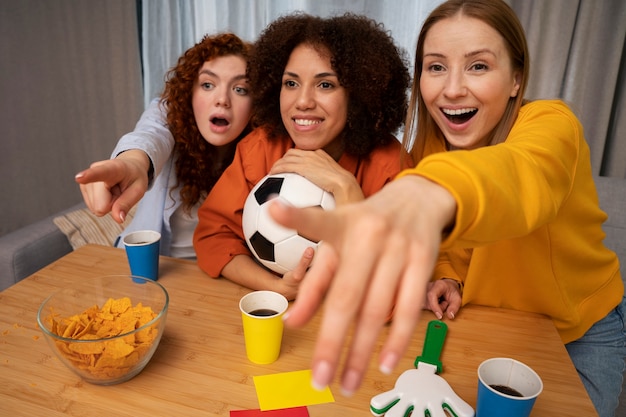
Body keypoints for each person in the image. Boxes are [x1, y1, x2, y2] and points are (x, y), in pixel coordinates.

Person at [268, 1, 625, 415]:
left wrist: (428, 190)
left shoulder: (553, 125)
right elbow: (461, 243)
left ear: (516, 79)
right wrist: (449, 276)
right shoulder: (431, 145)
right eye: (436, 67)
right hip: (489, 329)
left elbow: (518, 178)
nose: (452, 89)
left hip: (575, 338)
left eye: (478, 66)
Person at [193, 13, 412, 300]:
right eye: (291, 83)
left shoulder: (391, 168)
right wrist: (275, 287)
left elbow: (395, 293)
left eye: (325, 85)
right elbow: (213, 237)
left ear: (357, 95)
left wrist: (347, 192)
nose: (303, 102)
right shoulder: (260, 149)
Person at [75, 33, 253, 258]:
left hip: (225, 273)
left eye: (240, 89)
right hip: (152, 265)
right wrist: (132, 163)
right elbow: (150, 134)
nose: (222, 99)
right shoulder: (169, 114)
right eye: (208, 85)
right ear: (189, 92)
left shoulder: (265, 147)